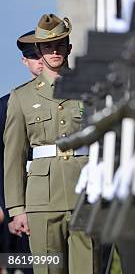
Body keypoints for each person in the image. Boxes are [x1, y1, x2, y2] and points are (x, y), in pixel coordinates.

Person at [3, 14, 93, 274]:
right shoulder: (21, 97)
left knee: (88, 268)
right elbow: (14, 155)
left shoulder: (91, 88)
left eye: (59, 44)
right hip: (42, 200)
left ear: (69, 47)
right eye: (47, 47)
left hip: (84, 192)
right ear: (39, 52)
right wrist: (17, 209)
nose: (54, 51)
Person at [0, 31, 41, 274]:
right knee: (24, 262)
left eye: (43, 53)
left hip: (66, 196)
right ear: (25, 62)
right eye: (33, 56)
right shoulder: (6, 106)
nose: (40, 60)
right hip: (23, 201)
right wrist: (6, 205)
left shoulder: (78, 98)